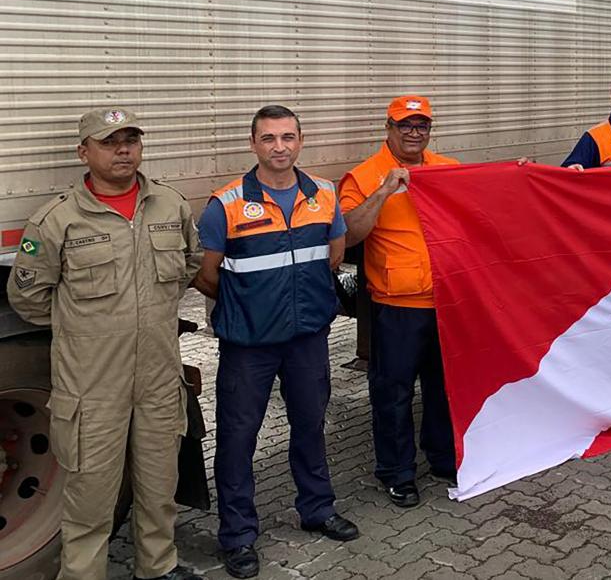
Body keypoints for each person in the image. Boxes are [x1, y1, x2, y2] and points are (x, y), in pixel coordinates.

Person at [6, 108, 202, 580]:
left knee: (158, 486)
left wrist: (145, 315)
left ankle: (157, 567)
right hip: (92, 387)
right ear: (84, 152)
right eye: (109, 142)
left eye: (131, 140)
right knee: (89, 500)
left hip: (158, 378)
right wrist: (87, 327)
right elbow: (28, 296)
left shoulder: (170, 206)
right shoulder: (58, 219)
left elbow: (190, 264)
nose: (123, 150)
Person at [194, 105, 358, 579]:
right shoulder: (225, 204)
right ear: (254, 144)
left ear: (300, 141)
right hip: (249, 344)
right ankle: (238, 536)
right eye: (268, 138)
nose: (279, 147)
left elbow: (333, 255)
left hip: (307, 338)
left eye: (288, 137)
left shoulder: (324, 194)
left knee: (310, 425)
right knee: (237, 437)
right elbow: (206, 276)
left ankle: (317, 508)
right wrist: (251, 306)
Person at [339, 96, 459, 508]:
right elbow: (348, 235)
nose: (413, 133)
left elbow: (483, 205)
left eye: (421, 125)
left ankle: (443, 458)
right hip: (396, 305)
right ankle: (397, 472)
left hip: (445, 302)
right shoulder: (363, 176)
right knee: (393, 393)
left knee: (444, 388)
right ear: (388, 128)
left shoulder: (448, 169)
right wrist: (385, 190)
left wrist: (520, 174)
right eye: (405, 124)